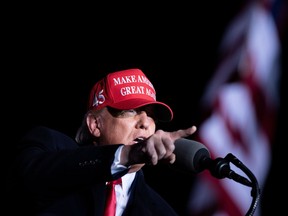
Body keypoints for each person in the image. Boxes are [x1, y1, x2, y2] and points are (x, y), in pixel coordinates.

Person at [7, 68, 197, 216]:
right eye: (131, 111)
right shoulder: (49, 146)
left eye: (152, 116)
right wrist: (127, 154)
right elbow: (29, 178)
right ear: (95, 124)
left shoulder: (160, 211)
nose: (146, 123)